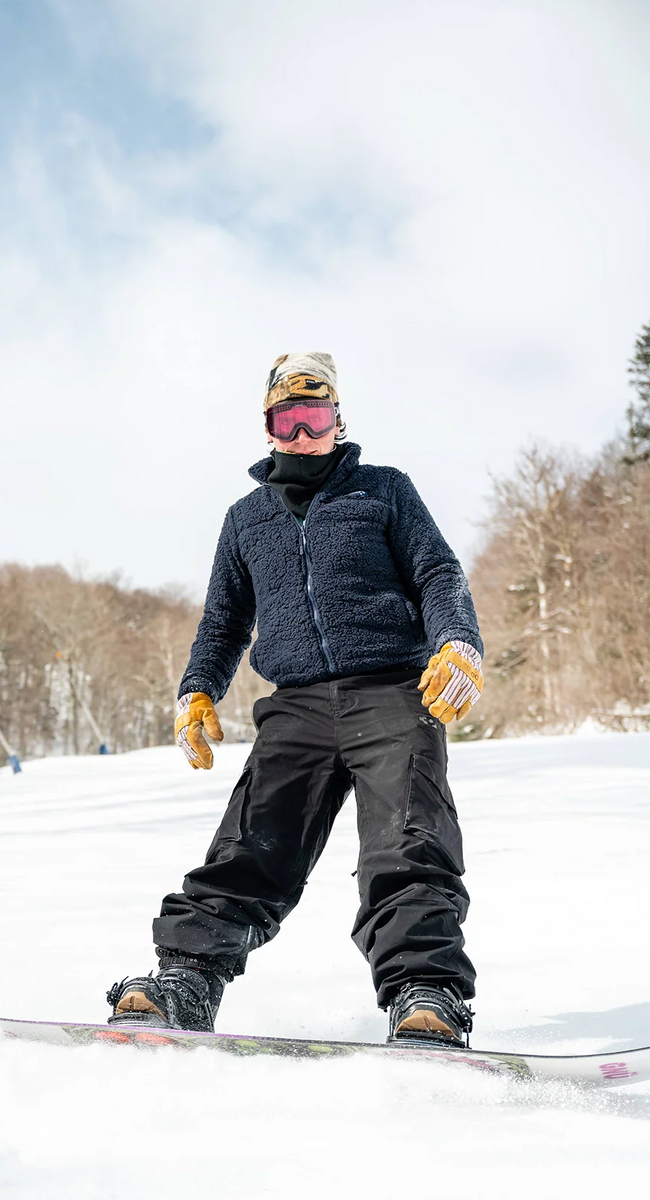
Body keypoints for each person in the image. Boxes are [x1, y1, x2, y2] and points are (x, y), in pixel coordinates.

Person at [107, 353, 484, 1046]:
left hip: (392, 693)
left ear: (338, 421)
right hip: (296, 707)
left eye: (315, 417)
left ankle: (425, 994)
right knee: (251, 843)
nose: (303, 433)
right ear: (269, 427)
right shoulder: (245, 519)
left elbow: (437, 572)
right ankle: (186, 982)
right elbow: (224, 621)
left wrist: (457, 640)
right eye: (289, 420)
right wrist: (197, 689)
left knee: (407, 840)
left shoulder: (384, 490)